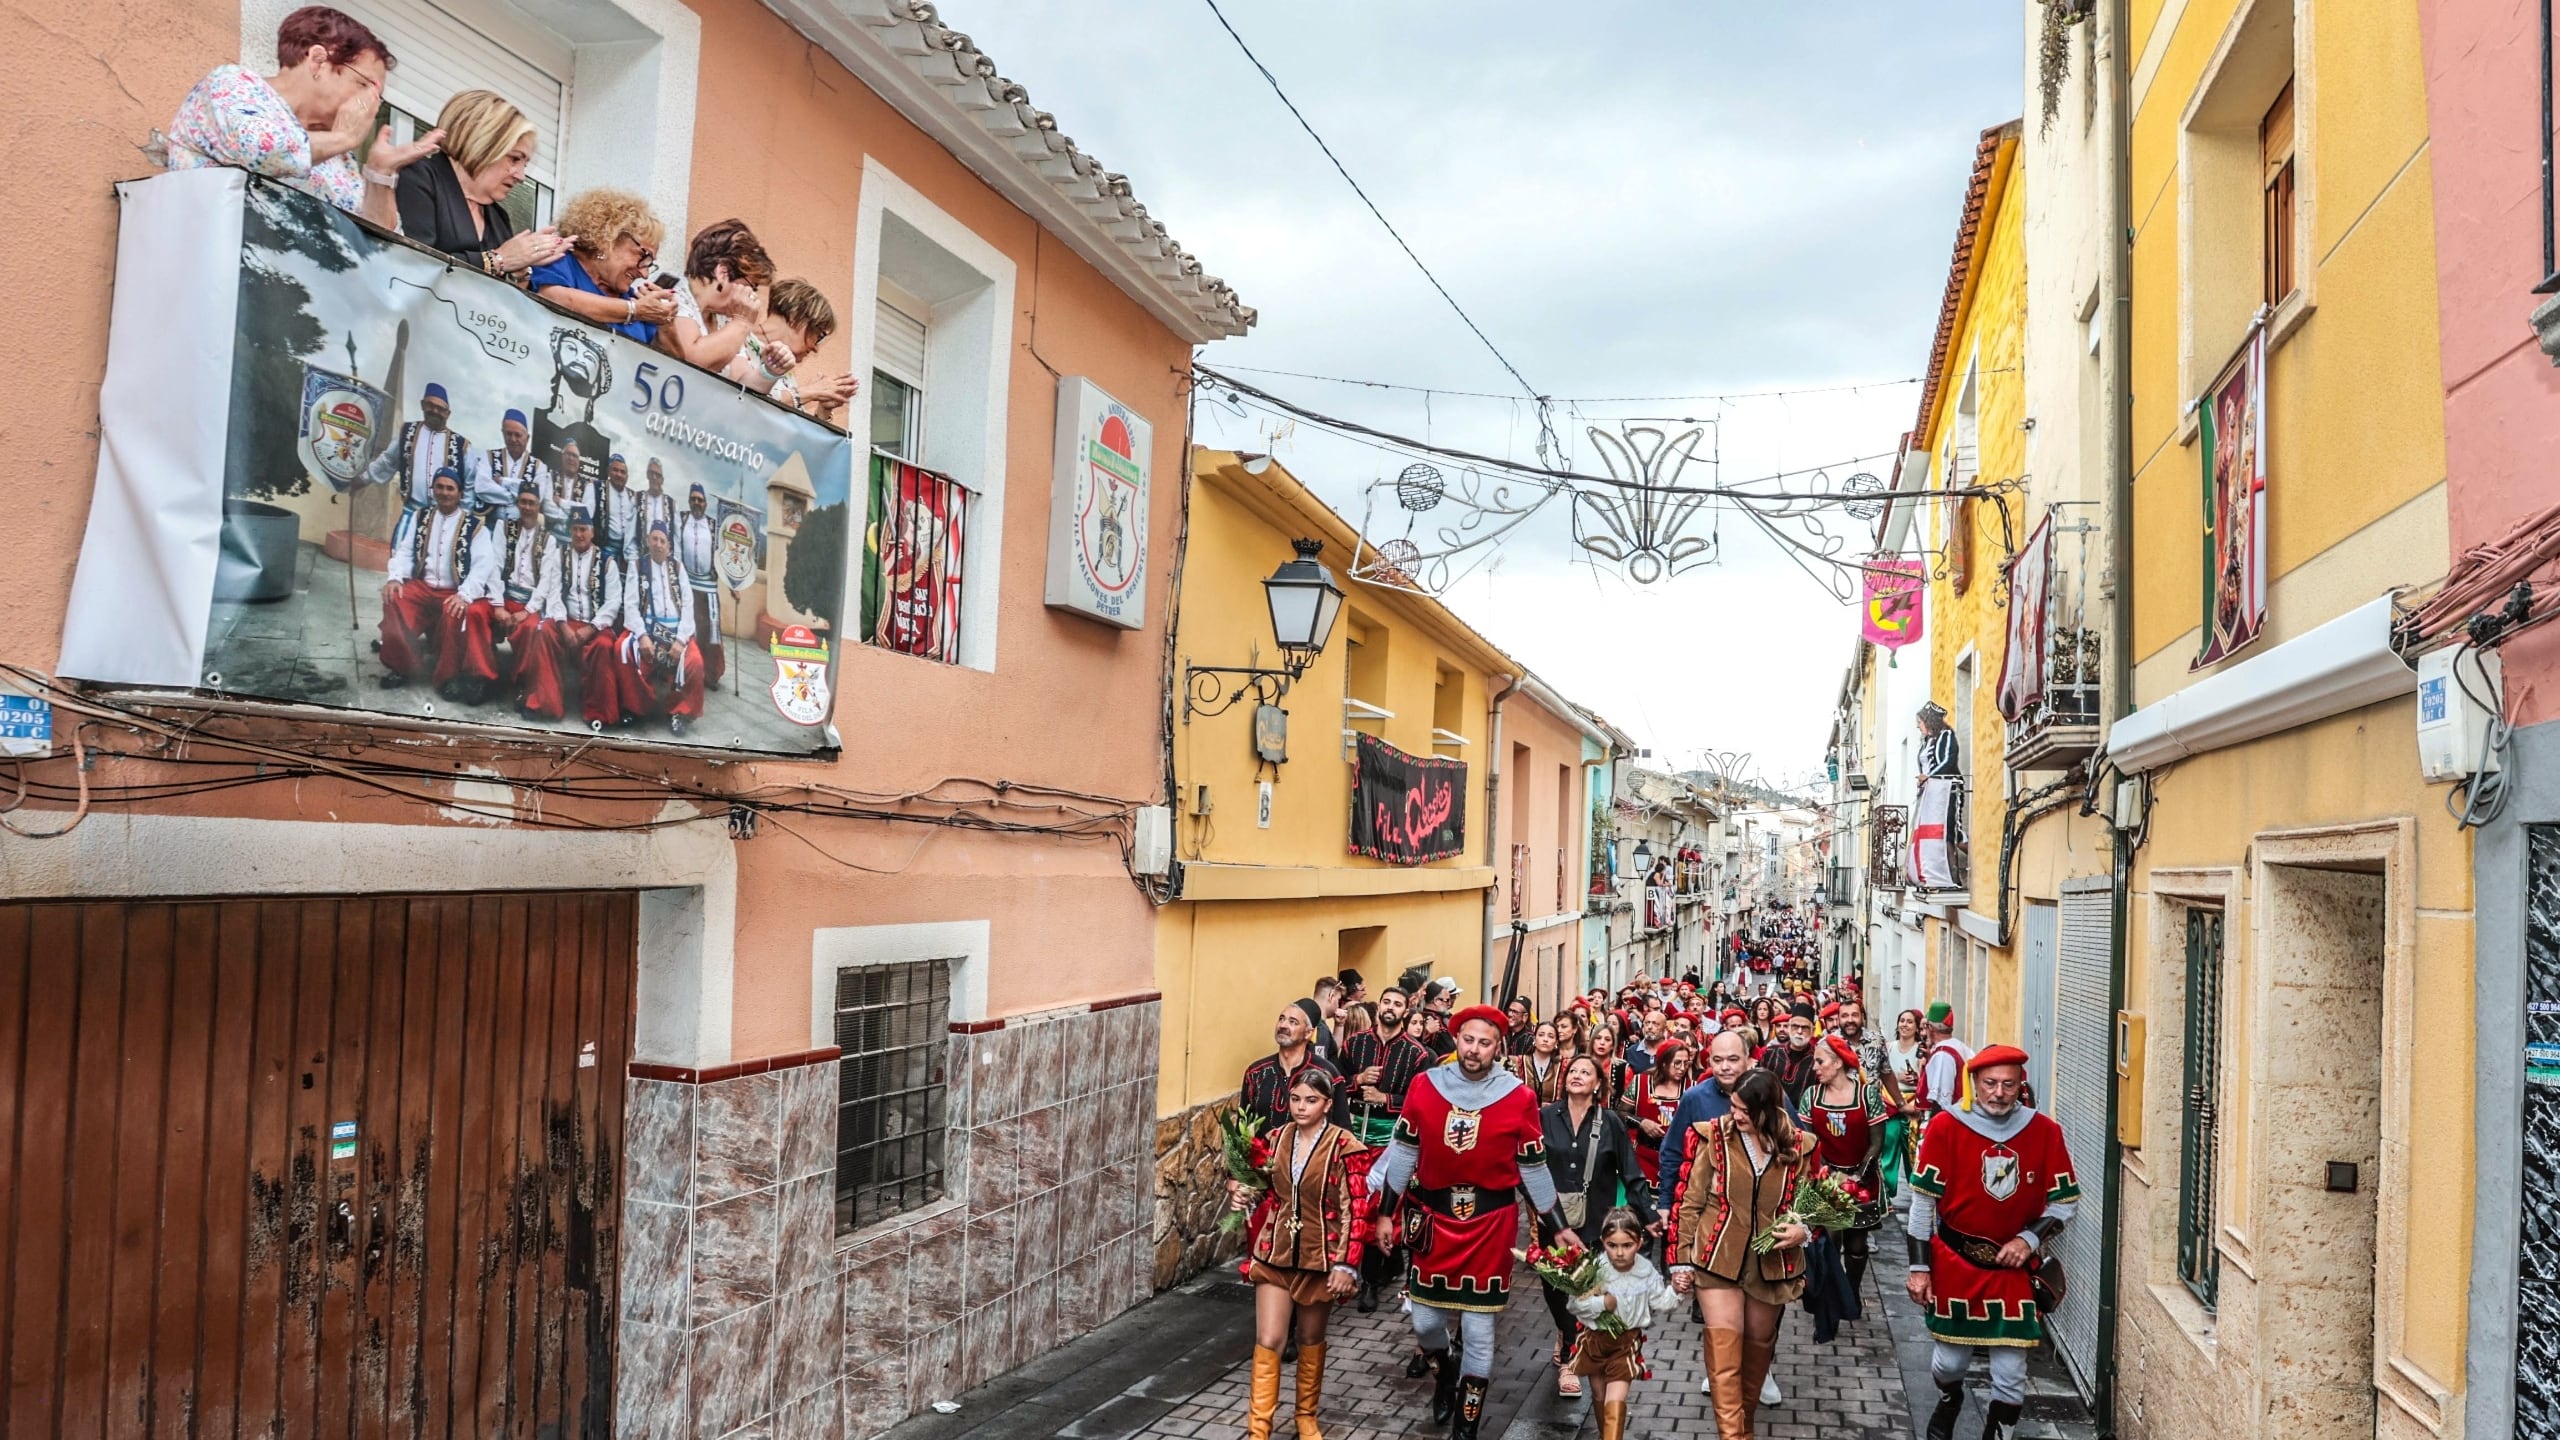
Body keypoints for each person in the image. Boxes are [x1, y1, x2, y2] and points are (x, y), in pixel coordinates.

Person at [1370, 1005, 1574, 1440]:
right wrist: (1386, 1212)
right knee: (1425, 1322)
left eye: (1485, 1042)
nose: (1474, 1050)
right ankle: (1445, 1371)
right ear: (1456, 1039)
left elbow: (1532, 1169)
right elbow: (1404, 1153)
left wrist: (1557, 1225)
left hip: (1490, 1223)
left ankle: (1467, 1427)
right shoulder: (1425, 1086)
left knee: (1479, 1330)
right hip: (1434, 1217)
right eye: (1467, 1040)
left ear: (1498, 1047)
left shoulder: (1519, 1096)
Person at [1907, 1045, 2079, 1440]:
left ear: (2021, 1086)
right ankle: (1950, 1400)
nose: (1998, 1092)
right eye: (1989, 1084)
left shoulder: (2045, 1131)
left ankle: (1997, 1434)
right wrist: (1919, 1268)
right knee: (1949, 1364)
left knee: (2011, 1374)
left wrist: (2030, 1237)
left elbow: (2064, 1201)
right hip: (1955, 1263)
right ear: (1973, 1084)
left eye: (2008, 1084)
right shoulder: (1945, 1127)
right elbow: (1922, 1204)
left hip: (2013, 1270)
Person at [154, 6, 438, 229]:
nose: (371, 105)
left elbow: (383, 242)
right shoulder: (233, 84)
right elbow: (259, 149)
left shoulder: (339, 157)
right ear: (317, 61)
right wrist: (343, 137)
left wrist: (379, 174)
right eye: (364, 85)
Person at [1668, 1069, 1814, 1440]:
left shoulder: (1799, 1146)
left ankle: (1743, 1430)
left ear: (1766, 1109)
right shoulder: (1712, 1135)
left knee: (1755, 1357)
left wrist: (1803, 1230)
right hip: (1717, 1256)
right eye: (1733, 1105)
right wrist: (1681, 1259)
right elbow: (1689, 1201)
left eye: (1744, 1109)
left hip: (1772, 1265)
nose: (1736, 1115)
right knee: (1724, 1358)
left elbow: (1810, 1203)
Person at [1228, 1068, 1373, 1440]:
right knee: (1269, 1339)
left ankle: (1305, 1416)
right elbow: (1265, 1188)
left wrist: (1347, 1264)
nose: (1301, 1107)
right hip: (1275, 1252)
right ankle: (1258, 1429)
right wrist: (1243, 1191)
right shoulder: (1276, 1138)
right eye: (1295, 1099)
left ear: (1327, 1104)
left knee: (1310, 1338)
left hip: (1320, 1257)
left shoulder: (1346, 1146)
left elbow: (1356, 1207)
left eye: (1311, 1100)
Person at [1537, 1055, 1657, 1399]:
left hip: (1596, 1221)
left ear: (1598, 1085)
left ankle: (1570, 1359)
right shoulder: (1545, 1117)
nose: (1577, 1076)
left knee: (1585, 1291)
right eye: (1572, 1071)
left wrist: (1648, 1216)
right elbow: (1531, 1167)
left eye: (1585, 1072)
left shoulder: (1611, 1123)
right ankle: (1566, 1332)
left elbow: (1630, 1171)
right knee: (1556, 1288)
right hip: (1555, 1220)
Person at [393, 89, 569, 279]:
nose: (521, 176)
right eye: (515, 159)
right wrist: (499, 260)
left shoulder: (499, 218)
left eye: (524, 165)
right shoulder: (420, 177)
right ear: (482, 145)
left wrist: (522, 270)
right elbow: (414, 264)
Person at [375, 468, 495, 695]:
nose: (444, 493)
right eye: (439, 487)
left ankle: (447, 677)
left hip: (453, 590)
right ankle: (404, 666)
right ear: (433, 490)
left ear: (460, 493)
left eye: (450, 488)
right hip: (423, 587)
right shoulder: (420, 517)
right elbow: (406, 551)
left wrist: (465, 594)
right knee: (394, 599)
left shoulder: (474, 526)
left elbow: (483, 565)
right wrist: (395, 578)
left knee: (455, 612)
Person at [1568, 1209, 1682, 1440]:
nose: (1619, 1252)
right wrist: (1602, 1303)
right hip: (1595, 1342)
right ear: (1603, 1242)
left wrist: (1677, 1291)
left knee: (1615, 1400)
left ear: (1639, 1242)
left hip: (1626, 1344)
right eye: (1612, 1245)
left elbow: (1661, 1301)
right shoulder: (1593, 1269)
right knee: (1599, 1398)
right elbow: (1574, 1305)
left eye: (1627, 1245)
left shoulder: (1645, 1271)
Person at [460, 482, 566, 719]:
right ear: (517, 504)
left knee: (531, 629)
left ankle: (521, 683)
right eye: (523, 502)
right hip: (503, 595)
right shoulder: (503, 527)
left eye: (532, 503)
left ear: (539, 507)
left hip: (528, 602)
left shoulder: (549, 539)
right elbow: (494, 566)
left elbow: (546, 582)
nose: (527, 507)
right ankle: (482, 677)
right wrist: (497, 605)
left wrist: (527, 610)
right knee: (475, 612)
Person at [594, 524, 705, 736]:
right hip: (646, 630)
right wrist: (642, 636)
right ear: (648, 540)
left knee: (696, 662)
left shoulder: (679, 569)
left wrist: (681, 640)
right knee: (622, 650)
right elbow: (631, 605)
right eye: (654, 539)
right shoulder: (637, 566)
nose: (658, 545)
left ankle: (678, 712)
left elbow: (689, 606)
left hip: (676, 633)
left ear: (669, 546)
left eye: (663, 541)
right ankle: (635, 708)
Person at [1800, 1034, 1890, 1293]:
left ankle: (1851, 1291)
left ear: (1838, 1062)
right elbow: (1810, 1141)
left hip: (1862, 1179)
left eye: (1820, 1061)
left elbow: (1876, 1143)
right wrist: (1830, 1175)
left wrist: (1859, 1176)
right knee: (1828, 1239)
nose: (1815, 1067)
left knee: (1857, 1244)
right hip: (1824, 1178)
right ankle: (1828, 1295)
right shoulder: (1811, 1096)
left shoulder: (1867, 1095)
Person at [531, 188, 677, 342]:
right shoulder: (560, 262)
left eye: (649, 264)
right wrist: (634, 310)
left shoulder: (635, 300)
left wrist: (665, 320)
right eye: (643, 256)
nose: (645, 274)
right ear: (608, 239)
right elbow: (554, 300)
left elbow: (670, 361)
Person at [351, 382, 480, 548]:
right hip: (411, 515)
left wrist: (464, 518)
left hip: (445, 521)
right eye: (430, 405)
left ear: (448, 413)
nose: (435, 411)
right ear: (422, 404)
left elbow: (469, 484)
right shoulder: (407, 433)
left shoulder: (462, 445)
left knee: (436, 569)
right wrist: (363, 478)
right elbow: (388, 461)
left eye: (440, 409)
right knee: (400, 564)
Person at [662, 218, 776, 373]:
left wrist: (771, 372)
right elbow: (692, 360)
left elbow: (741, 378)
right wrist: (742, 322)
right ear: (723, 273)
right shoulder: (673, 296)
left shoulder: (724, 320)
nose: (751, 296)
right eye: (751, 286)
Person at [737, 279, 860, 418]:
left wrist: (823, 410)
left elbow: (792, 435)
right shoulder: (738, 339)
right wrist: (811, 391)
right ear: (795, 317)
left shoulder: (785, 371)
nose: (815, 348)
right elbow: (742, 397)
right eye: (819, 336)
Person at [550, 508, 625, 727]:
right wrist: (563, 626)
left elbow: (613, 601)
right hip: (566, 620)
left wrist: (590, 628)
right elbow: (554, 593)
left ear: (592, 533)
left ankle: (597, 713)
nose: (579, 535)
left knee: (603, 646)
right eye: (574, 530)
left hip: (596, 625)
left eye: (583, 529)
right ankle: (547, 704)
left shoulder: (607, 561)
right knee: (543, 634)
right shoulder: (560, 555)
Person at [1241, 1001, 1342, 1129]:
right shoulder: (1256, 1072)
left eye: (1293, 1022)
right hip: (1264, 1149)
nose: (1283, 1025)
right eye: (1281, 1019)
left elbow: (1342, 1130)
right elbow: (1242, 1129)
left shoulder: (1327, 1073)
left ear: (1308, 1033)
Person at [674, 484, 728, 689]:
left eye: (700, 499)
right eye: (693, 499)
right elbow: (676, 548)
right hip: (687, 581)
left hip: (709, 585)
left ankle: (711, 674)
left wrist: (734, 586)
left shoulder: (714, 526)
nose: (697, 502)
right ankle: (689, 670)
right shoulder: (682, 520)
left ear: (706, 503)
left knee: (711, 630)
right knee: (689, 627)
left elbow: (725, 558)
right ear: (689, 500)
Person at [1628, 1041, 1692, 1195]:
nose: (1682, 1068)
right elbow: (1619, 1114)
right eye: (1677, 1063)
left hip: (1677, 1163)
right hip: (1643, 1160)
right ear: (1663, 1062)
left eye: (1686, 1063)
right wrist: (1641, 1122)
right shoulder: (1640, 1083)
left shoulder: (1693, 1089)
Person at [478, 409, 549, 523]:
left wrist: (503, 482)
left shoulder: (539, 467)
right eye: (508, 434)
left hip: (521, 527)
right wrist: (517, 497)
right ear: (503, 433)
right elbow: (481, 488)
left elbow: (536, 496)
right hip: (492, 524)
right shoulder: (489, 457)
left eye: (518, 435)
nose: (513, 439)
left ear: (527, 437)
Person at [1885, 1008, 1928, 1195]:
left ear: (1917, 1027)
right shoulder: (1888, 1047)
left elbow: (1926, 1078)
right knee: (1888, 1150)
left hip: (1912, 1107)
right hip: (1890, 1104)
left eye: (1910, 1022)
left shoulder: (1921, 1051)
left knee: (1913, 1152)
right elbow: (1879, 1073)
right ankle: (1886, 1193)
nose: (1904, 1024)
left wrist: (1917, 1079)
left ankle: (1917, 1191)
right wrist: (1897, 1076)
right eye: (1902, 1020)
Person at [1756, 1002, 1820, 1108]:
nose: (1799, 1031)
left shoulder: (1818, 1059)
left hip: (1802, 1120)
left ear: (1812, 1031)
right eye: (1795, 1026)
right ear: (1789, 1027)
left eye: (1804, 1028)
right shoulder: (1770, 1053)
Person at [1920, 1003, 1974, 1117]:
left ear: (1931, 1028)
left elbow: (1941, 1101)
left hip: (1951, 1118)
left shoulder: (1943, 1054)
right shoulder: (1961, 1047)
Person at [594, 454, 641, 560]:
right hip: (602, 550)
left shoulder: (633, 497)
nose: (619, 474)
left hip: (626, 555)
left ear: (627, 477)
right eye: (615, 470)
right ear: (609, 471)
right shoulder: (596, 488)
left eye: (623, 472)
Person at [1507, 1021, 1566, 1103]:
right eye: (1541, 1035)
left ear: (1556, 1042)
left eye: (1551, 1036)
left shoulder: (1564, 1065)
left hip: (1552, 1114)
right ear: (1534, 1039)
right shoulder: (1516, 1062)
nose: (1545, 1039)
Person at [1586, 1020, 1635, 1113]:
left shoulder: (1624, 1069)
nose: (1602, 1042)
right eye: (1598, 1038)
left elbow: (1627, 1106)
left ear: (1612, 1045)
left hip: (1612, 1121)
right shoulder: (1581, 1064)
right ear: (1592, 1042)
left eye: (1607, 1039)